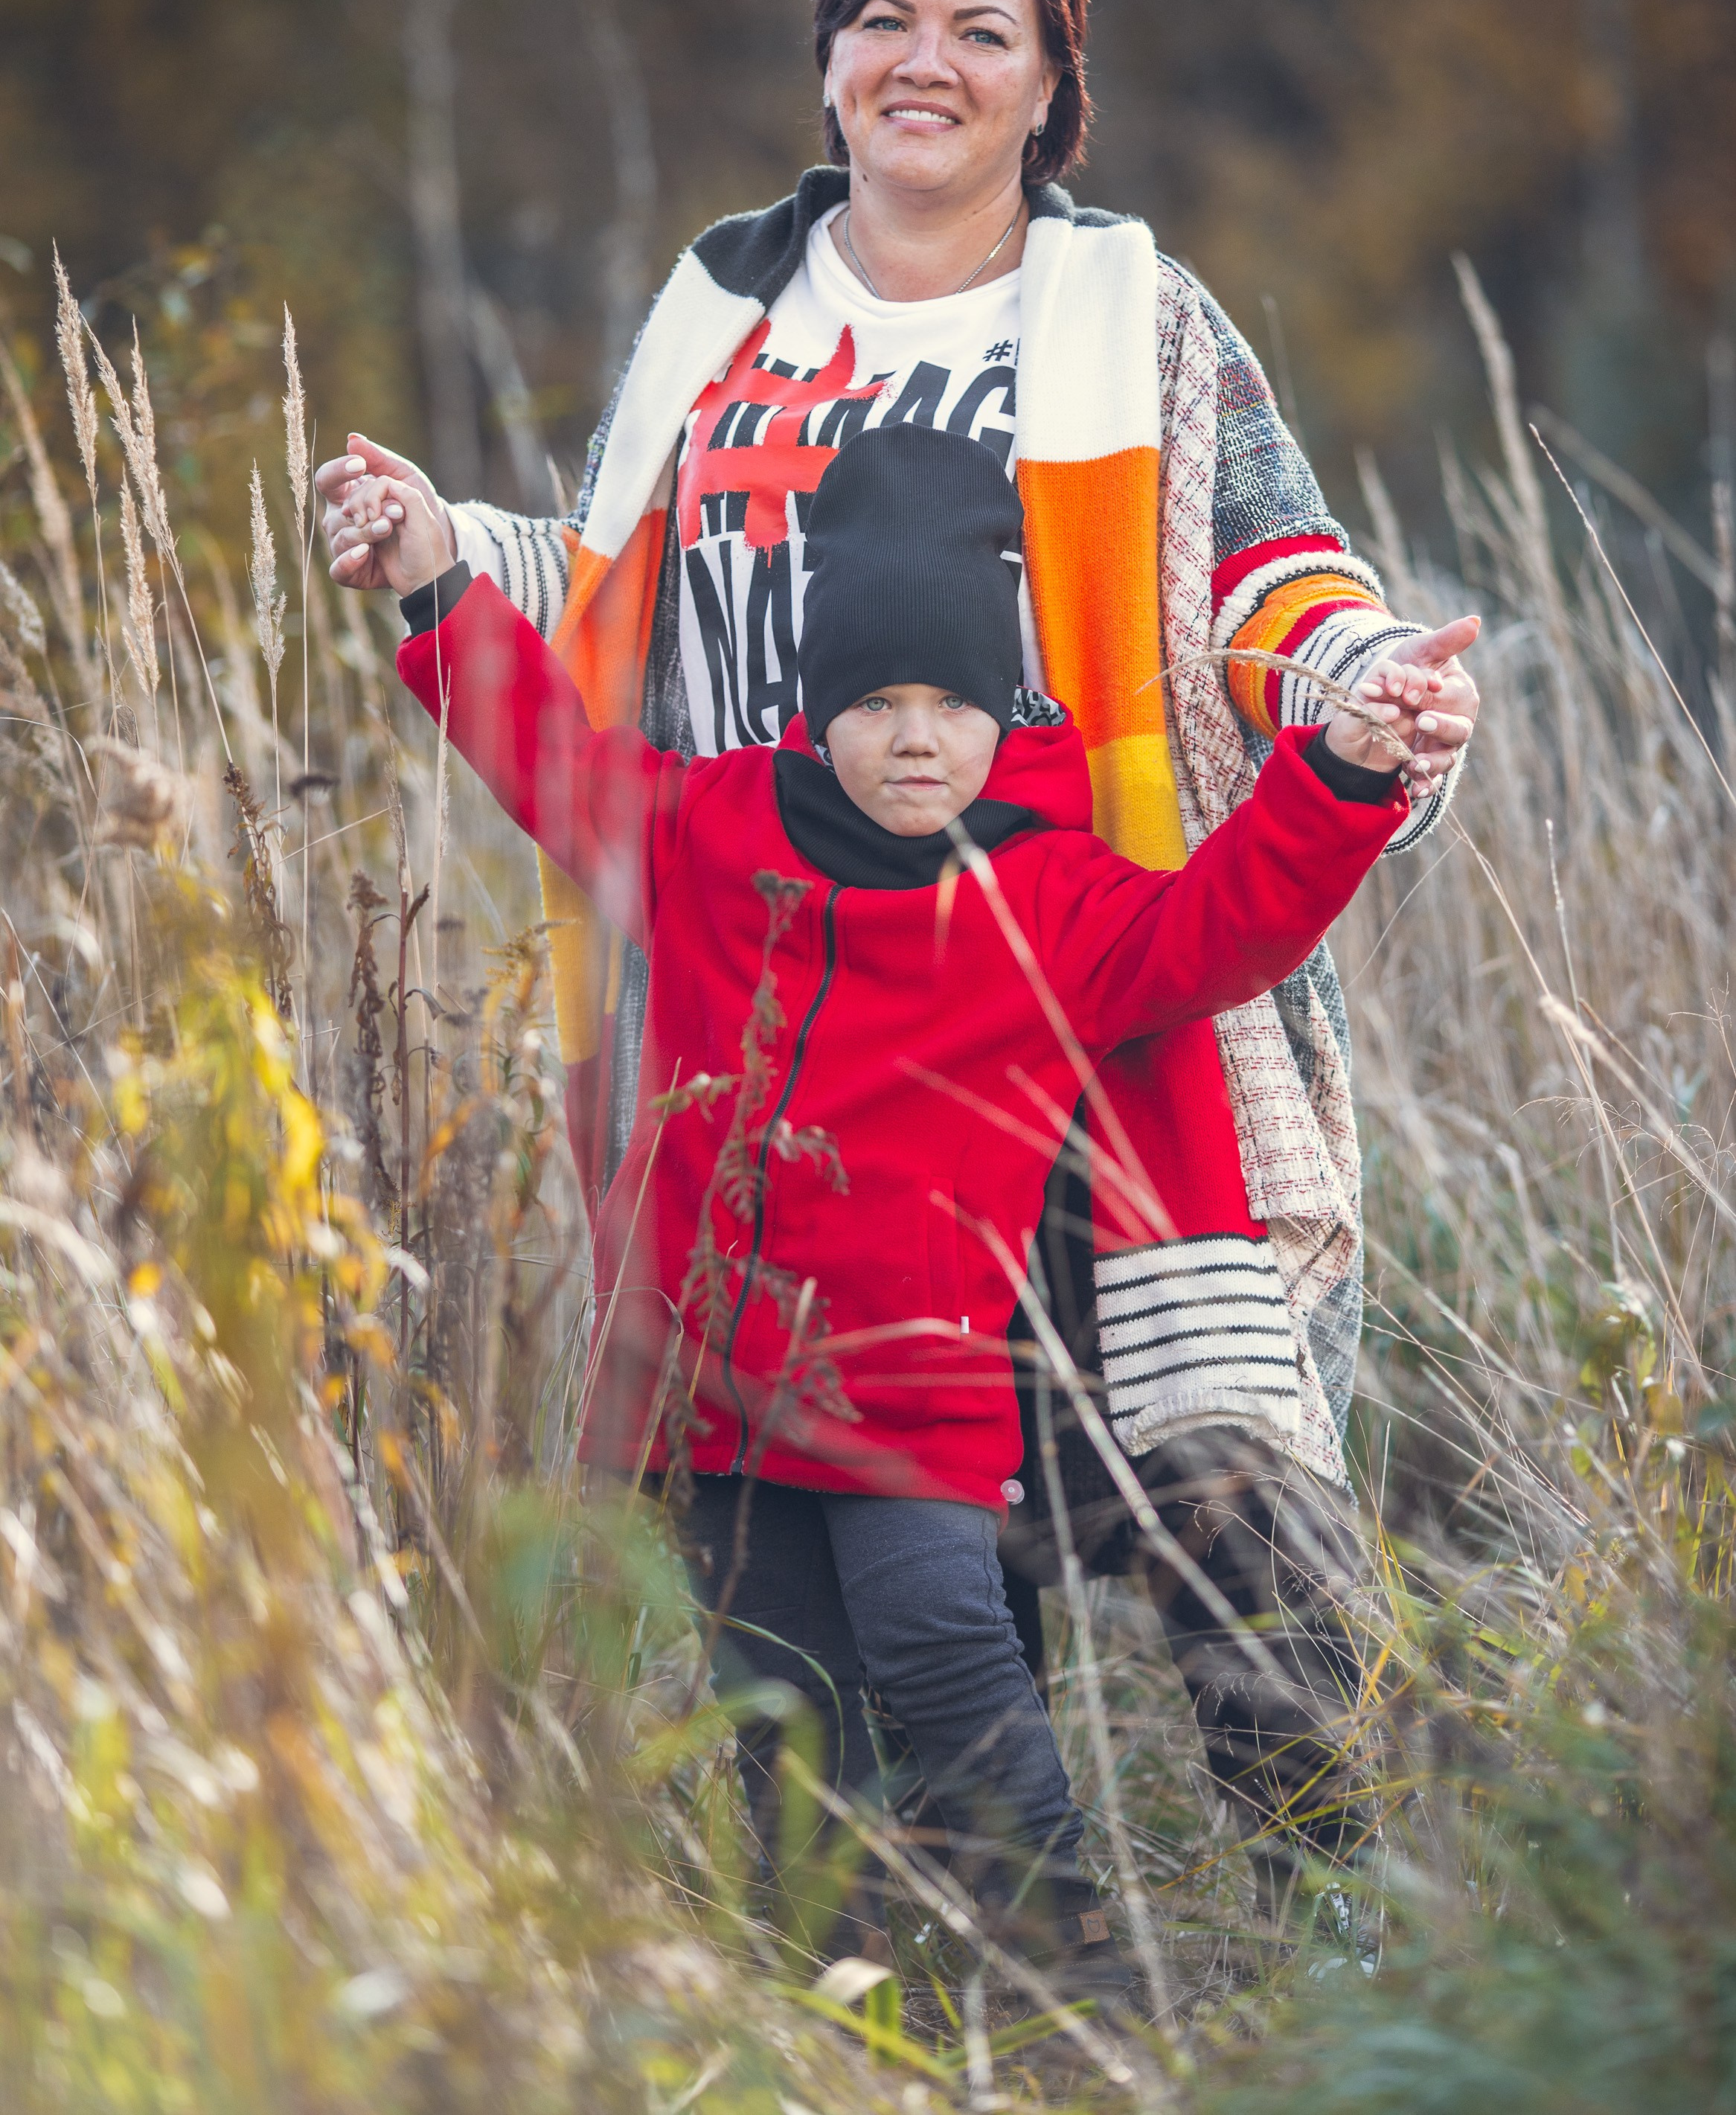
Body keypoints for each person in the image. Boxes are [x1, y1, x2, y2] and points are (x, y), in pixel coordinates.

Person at [318, 0, 1481, 1904]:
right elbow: (607, 598)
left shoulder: (1132, 316)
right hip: (790, 1002)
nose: (924, 61)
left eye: (980, 31)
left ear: (1050, 86)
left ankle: (1345, 1941)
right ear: (828, 57)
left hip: (1083, 980)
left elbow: (1264, 575)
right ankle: (940, 1959)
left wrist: (1358, 688)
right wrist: (437, 549)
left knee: (1219, 1484)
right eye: (884, 19)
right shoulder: (724, 311)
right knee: (871, 1519)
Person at [368, 420, 1431, 1987]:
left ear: (1004, 709)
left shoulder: (1049, 893)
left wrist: (1342, 767)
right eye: (874, 703)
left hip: (915, 1409)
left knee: (944, 1650)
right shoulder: (712, 829)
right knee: (780, 1702)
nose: (914, 740)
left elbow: (1228, 924)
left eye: (950, 704)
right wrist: (435, 586)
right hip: (717, 1392)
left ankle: (1075, 1972)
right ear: (819, 708)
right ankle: (842, 1997)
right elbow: (549, 765)